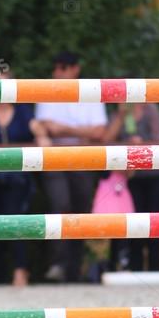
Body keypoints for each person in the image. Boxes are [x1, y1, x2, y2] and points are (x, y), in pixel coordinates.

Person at [0, 71, 50, 286]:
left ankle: (20, 272)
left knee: (16, 221)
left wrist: (43, 140)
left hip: (16, 175)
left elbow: (38, 130)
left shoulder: (22, 108)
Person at [35, 52, 107, 282]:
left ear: (75, 70)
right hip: (57, 157)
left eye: (63, 68)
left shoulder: (91, 92)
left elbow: (99, 132)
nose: (57, 72)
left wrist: (64, 130)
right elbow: (49, 127)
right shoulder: (47, 91)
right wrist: (80, 132)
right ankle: (59, 264)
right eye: (56, 67)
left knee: (81, 211)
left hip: (81, 157)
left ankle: (74, 267)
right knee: (60, 207)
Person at [103, 102, 159, 271]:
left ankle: (156, 271)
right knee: (134, 227)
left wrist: (141, 144)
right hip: (131, 177)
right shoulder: (118, 114)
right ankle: (136, 269)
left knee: (155, 226)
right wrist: (120, 117)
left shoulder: (151, 109)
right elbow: (107, 140)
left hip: (156, 174)